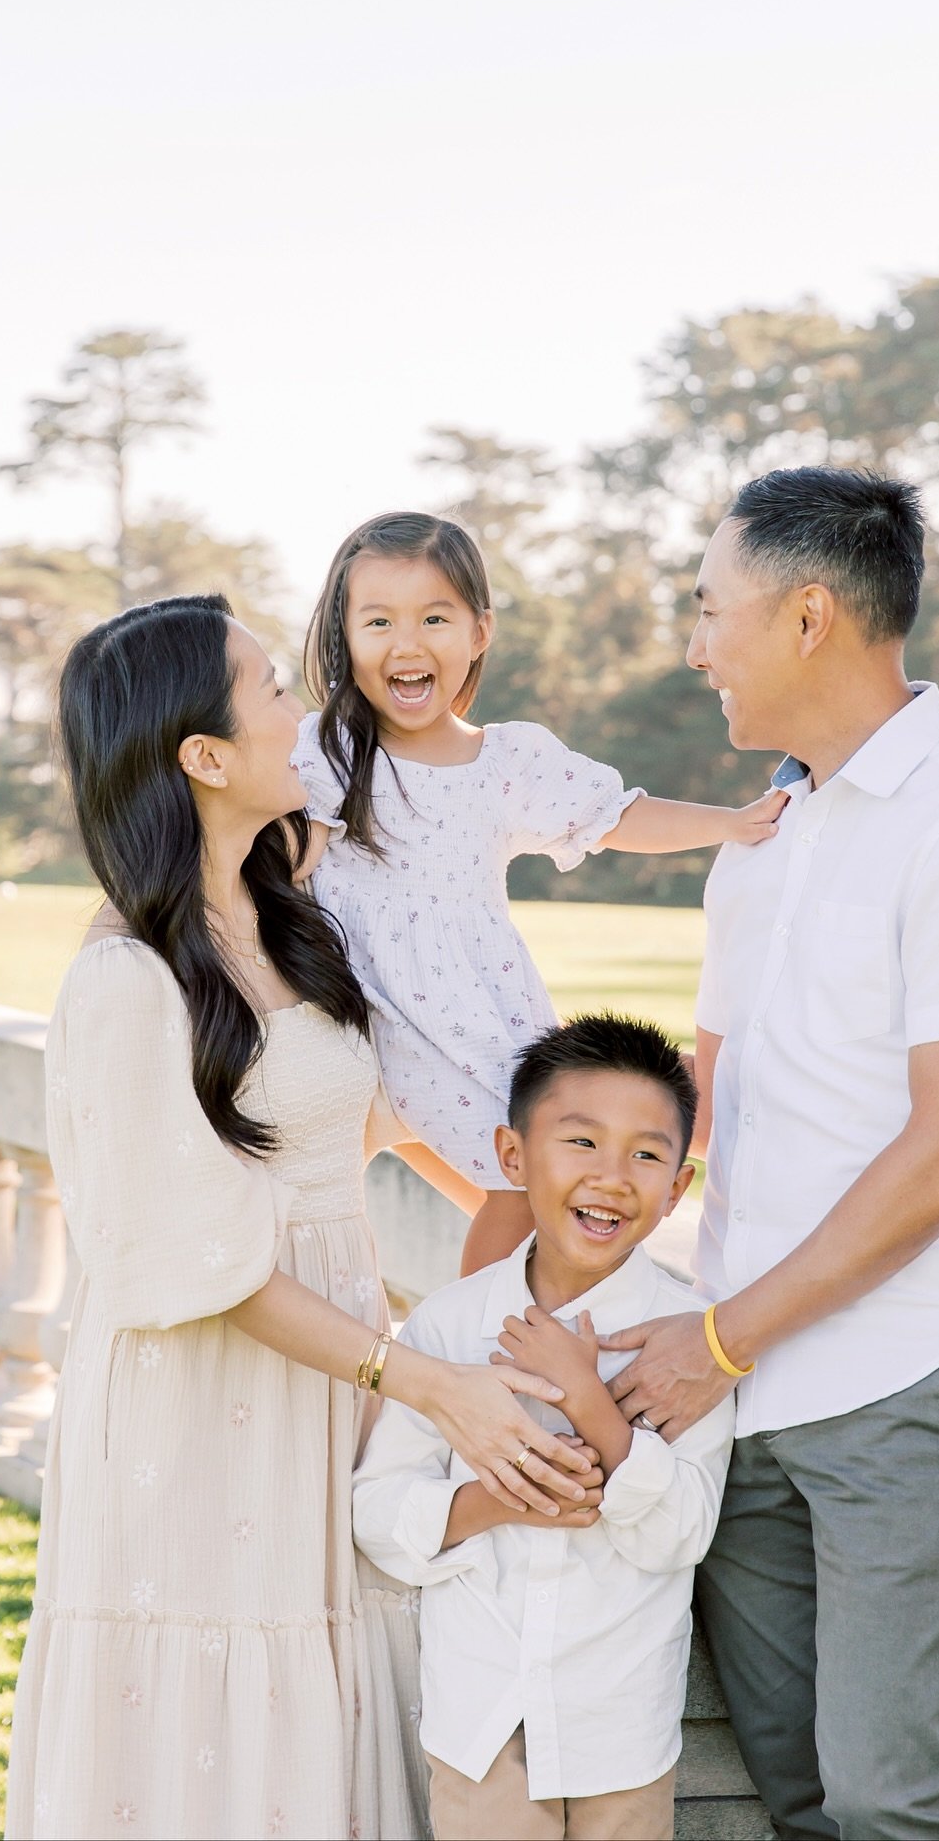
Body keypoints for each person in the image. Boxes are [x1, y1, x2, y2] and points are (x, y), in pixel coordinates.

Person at [6, 593, 594, 1841]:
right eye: (271, 685)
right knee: (212, 1727)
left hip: (333, 1385)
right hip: (205, 1407)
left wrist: (563, 1206)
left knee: (335, 1693)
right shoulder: (127, 978)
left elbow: (359, 1128)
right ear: (205, 758)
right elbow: (195, 1262)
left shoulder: (288, 919)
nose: (304, 707)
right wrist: (427, 1382)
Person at [602, 468, 939, 1840]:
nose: (695, 647)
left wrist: (724, 1341)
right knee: (800, 1797)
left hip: (912, 1380)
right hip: (746, 1388)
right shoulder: (765, 837)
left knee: (885, 1809)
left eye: (709, 610)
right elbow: (701, 1106)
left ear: (808, 615)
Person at [292, 510, 786, 1276]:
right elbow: (264, 855)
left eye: (434, 617)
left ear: (480, 631)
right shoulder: (324, 753)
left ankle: (502, 1344)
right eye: (378, 620)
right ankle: (476, 1344)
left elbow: (619, 815)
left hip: (474, 1024)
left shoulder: (506, 760)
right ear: (343, 634)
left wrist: (733, 823)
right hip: (379, 1023)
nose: (408, 643)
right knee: (525, 1190)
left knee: (540, 1194)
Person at [352, 1014, 735, 1841]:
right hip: (481, 1719)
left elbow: (683, 1534)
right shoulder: (448, 1328)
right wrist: (500, 1498)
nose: (612, 1177)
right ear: (514, 1156)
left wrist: (591, 1406)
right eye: (581, 1143)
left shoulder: (686, 1342)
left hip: (621, 1726)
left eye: (646, 1154)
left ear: (677, 1188)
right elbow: (377, 1515)